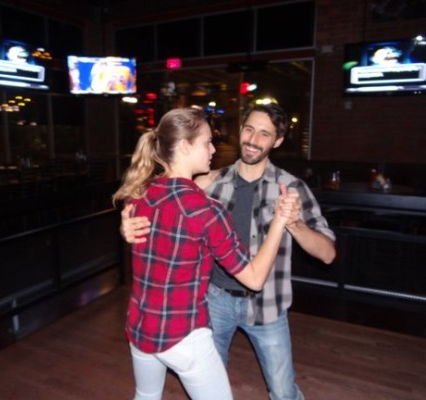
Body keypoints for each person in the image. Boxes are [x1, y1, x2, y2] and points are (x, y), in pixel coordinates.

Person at [121, 103, 337, 400]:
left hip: (266, 306)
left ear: (277, 141)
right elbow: (164, 213)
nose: (253, 139)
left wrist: (294, 223)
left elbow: (327, 254)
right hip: (213, 303)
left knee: (283, 392)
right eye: (249, 129)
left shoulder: (291, 187)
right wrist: (128, 227)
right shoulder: (208, 182)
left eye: (264, 134)